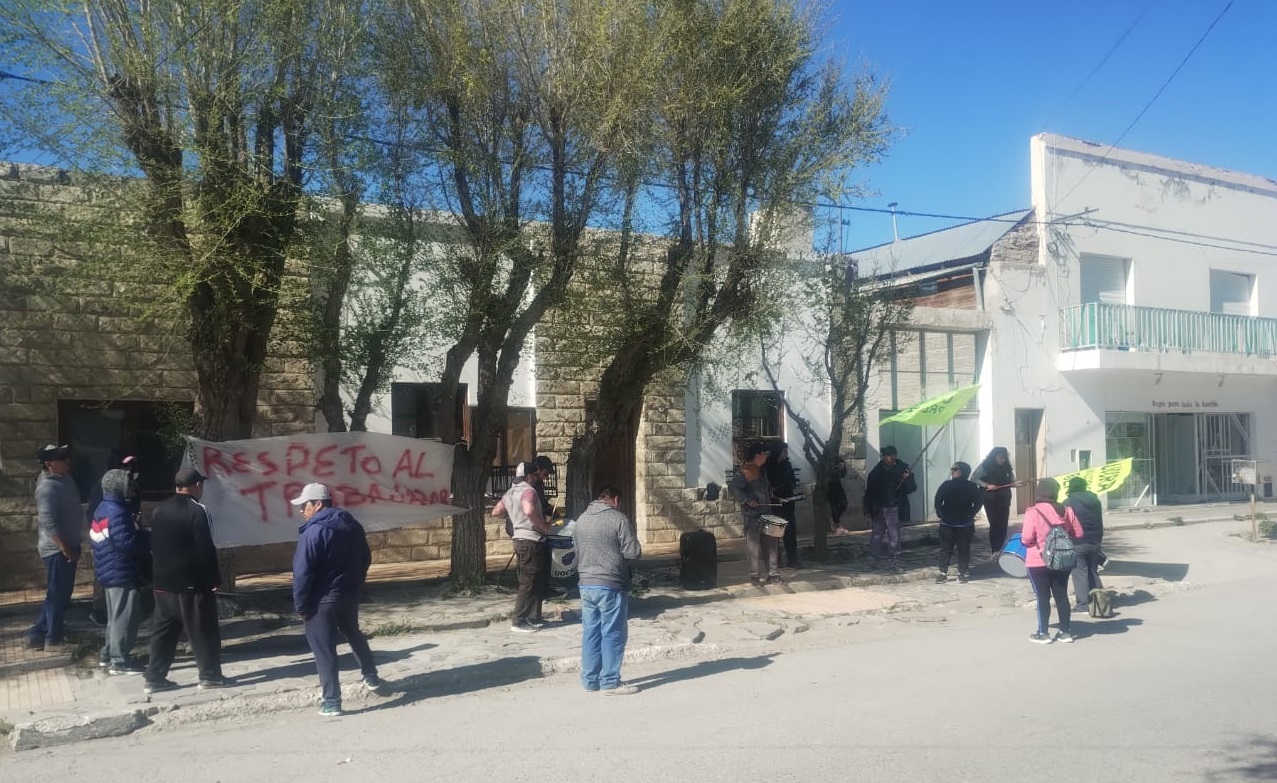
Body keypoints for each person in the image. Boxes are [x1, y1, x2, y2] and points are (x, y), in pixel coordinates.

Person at [291, 483, 385, 717]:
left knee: (324, 649)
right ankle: (371, 676)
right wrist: (356, 584)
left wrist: (301, 606)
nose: (302, 510)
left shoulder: (313, 532)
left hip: (321, 600)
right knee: (353, 633)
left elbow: (302, 573)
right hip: (348, 594)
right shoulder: (352, 526)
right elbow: (365, 557)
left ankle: (332, 700)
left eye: (305, 505)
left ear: (318, 504)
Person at [144, 468, 230, 693]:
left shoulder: (159, 509)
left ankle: (154, 678)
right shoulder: (198, 510)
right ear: (196, 486)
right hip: (191, 583)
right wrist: (214, 578)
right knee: (203, 630)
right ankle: (210, 675)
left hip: (162, 583)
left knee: (164, 631)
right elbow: (205, 548)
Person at [574, 485, 642, 695]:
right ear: (615, 499)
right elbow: (632, 553)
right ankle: (610, 681)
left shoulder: (581, 521)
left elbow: (576, 551)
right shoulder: (618, 519)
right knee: (613, 633)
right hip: (611, 584)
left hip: (586, 584)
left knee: (591, 632)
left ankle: (589, 680)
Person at [89, 468, 150, 674]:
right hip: (120, 570)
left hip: (109, 569)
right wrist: (149, 538)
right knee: (125, 616)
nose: (133, 489)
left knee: (115, 616)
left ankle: (108, 654)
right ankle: (120, 661)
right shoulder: (117, 512)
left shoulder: (104, 508)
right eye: (129, 484)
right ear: (119, 488)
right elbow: (127, 544)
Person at [27, 444, 82, 651]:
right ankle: (53, 639)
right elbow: (48, 523)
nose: (67, 461)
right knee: (59, 593)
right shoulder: (47, 488)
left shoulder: (64, 479)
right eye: (62, 459)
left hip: (70, 544)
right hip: (57, 550)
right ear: (49, 465)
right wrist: (64, 547)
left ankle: (37, 633)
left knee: (58, 593)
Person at [1019, 478, 1084, 644]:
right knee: (1061, 595)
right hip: (1063, 560)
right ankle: (1065, 632)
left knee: (1042, 597)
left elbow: (1026, 538)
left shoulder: (1033, 511)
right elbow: (1079, 533)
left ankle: (1043, 633)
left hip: (1038, 561)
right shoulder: (1067, 510)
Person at [492, 461, 554, 633]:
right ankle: (518, 621)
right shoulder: (529, 490)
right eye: (535, 476)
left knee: (535, 579)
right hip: (531, 540)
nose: (536, 479)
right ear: (529, 476)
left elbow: (496, 512)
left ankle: (533, 617)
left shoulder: (510, 492)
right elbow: (528, 510)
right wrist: (542, 525)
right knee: (528, 581)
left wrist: (514, 517)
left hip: (519, 539)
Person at [87, 450, 141, 631]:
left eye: (130, 465)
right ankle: (99, 608)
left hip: (125, 534)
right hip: (108, 541)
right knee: (109, 580)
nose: (129, 469)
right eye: (124, 466)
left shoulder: (131, 486)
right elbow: (97, 517)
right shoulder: (104, 488)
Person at [729, 442, 780, 586]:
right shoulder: (745, 472)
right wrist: (747, 500)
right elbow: (733, 487)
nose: (767, 457)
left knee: (771, 543)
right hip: (752, 515)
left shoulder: (761, 471)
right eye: (765, 454)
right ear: (758, 456)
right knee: (754, 546)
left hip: (767, 513)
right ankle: (755, 576)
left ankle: (773, 574)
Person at [862, 445, 916, 573]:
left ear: (895, 456)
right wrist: (867, 507)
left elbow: (912, 489)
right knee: (877, 535)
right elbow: (869, 492)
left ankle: (895, 561)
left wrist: (907, 480)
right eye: (886, 455)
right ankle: (873, 561)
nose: (888, 458)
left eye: (891, 455)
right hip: (879, 507)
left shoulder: (903, 470)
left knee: (894, 535)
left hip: (895, 507)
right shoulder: (876, 472)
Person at [934, 461, 983, 583]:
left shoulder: (971, 486)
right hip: (947, 523)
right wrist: (941, 514)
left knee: (963, 548)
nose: (952, 471)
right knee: (945, 548)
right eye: (952, 469)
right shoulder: (946, 485)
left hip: (964, 524)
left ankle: (961, 573)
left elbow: (978, 502)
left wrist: (970, 514)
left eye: (955, 469)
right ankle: (942, 573)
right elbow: (938, 500)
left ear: (964, 471)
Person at [1064, 476, 1105, 611]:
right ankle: (1099, 600)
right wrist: (1099, 540)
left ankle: (1083, 604)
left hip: (1077, 542)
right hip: (1095, 541)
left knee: (1080, 572)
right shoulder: (1095, 500)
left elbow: (1067, 524)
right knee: (1093, 571)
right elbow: (1099, 521)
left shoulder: (1068, 502)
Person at [972, 447, 1015, 556]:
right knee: (995, 524)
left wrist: (1015, 484)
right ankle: (995, 549)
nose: (1002, 460)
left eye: (1004, 458)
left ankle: (999, 549)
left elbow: (1011, 481)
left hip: (1004, 499)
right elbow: (974, 478)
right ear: (994, 456)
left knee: (1003, 524)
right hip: (990, 499)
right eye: (1000, 458)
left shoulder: (1007, 467)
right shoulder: (985, 466)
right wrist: (987, 485)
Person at [765, 442, 800, 568]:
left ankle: (792, 559)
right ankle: (776, 561)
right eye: (784, 451)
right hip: (774, 503)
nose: (786, 454)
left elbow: (792, 481)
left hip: (787, 501)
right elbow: (769, 483)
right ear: (779, 452)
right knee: (775, 533)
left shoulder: (787, 465)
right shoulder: (769, 466)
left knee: (790, 532)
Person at [827, 457, 851, 535]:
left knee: (844, 504)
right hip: (829, 485)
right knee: (833, 505)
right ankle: (837, 525)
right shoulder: (825, 460)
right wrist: (835, 469)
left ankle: (834, 520)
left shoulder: (838, 459)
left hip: (837, 484)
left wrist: (842, 467)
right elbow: (828, 473)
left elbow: (843, 474)